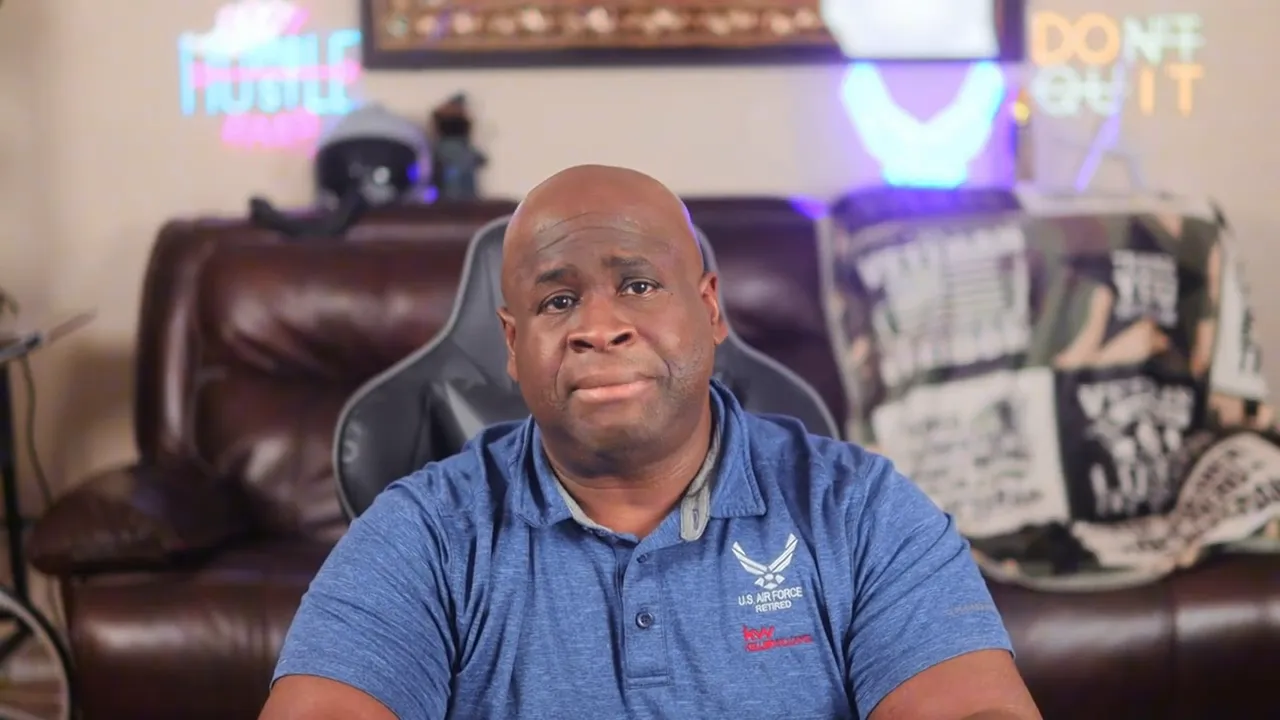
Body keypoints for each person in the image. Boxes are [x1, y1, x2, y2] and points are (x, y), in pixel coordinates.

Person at [260, 165, 1042, 720]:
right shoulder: (423, 533)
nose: (599, 327)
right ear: (511, 344)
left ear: (710, 307)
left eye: (638, 284)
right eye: (558, 299)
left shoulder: (863, 511)